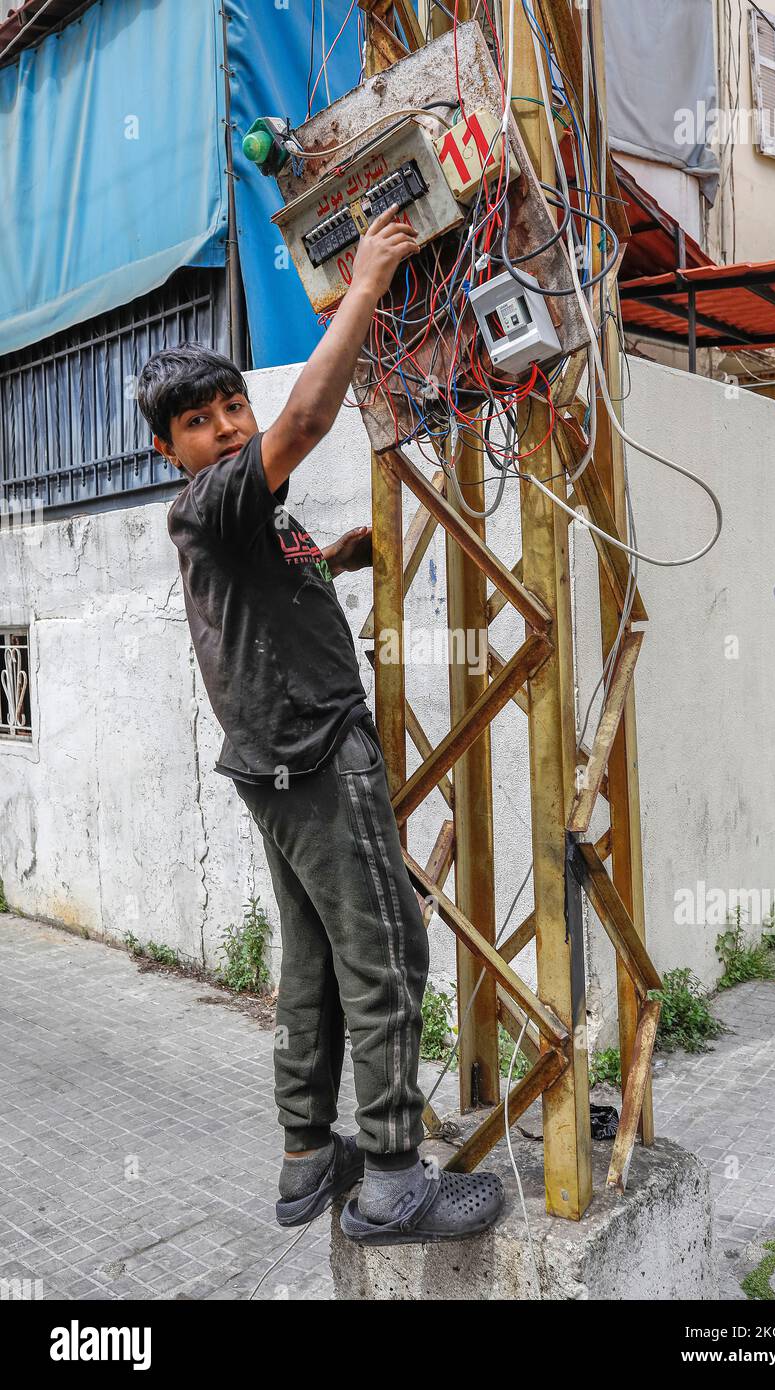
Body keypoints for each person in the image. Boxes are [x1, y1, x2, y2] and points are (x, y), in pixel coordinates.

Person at [136, 205, 504, 1245]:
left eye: (228, 405)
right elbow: (302, 421)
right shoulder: (209, 499)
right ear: (172, 451)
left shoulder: (243, 515)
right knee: (384, 953)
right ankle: (392, 1178)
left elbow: (267, 576)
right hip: (313, 749)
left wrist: (336, 558)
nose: (227, 424)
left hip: (272, 762)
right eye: (200, 421)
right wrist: (369, 284)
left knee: (312, 962)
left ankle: (308, 1154)